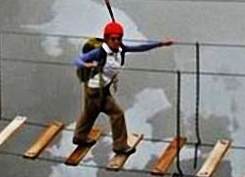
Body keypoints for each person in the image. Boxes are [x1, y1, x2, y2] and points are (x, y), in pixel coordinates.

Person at [73, 21, 174, 155]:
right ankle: (118, 146)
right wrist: (86, 65)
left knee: (92, 113)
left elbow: (140, 47)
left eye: (119, 38)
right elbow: (78, 59)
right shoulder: (100, 52)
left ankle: (81, 137)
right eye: (112, 39)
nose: (116, 41)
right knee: (112, 113)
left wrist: (160, 44)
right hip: (95, 90)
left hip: (102, 89)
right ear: (106, 39)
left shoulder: (121, 49)